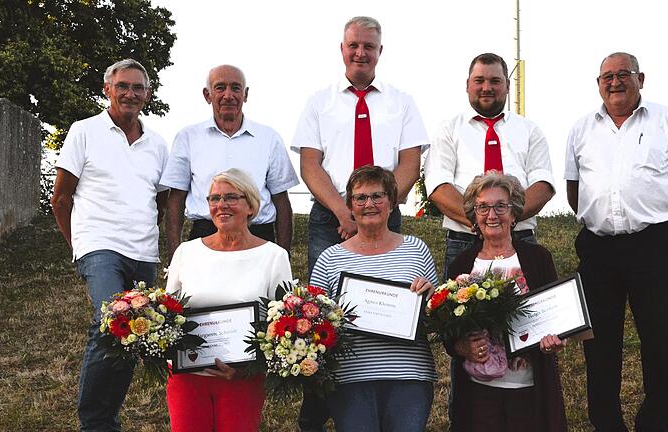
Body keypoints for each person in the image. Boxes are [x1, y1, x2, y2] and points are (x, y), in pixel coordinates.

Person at [564, 52, 668, 431]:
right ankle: (607, 423)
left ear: (641, 77)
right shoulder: (581, 129)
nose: (614, 82)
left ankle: (655, 423)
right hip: (597, 248)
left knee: (659, 338)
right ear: (598, 84)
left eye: (623, 74)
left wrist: (667, 228)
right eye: (606, 76)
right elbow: (573, 192)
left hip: (653, 246)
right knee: (599, 344)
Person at [50, 58, 169, 431]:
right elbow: (61, 197)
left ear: (147, 95)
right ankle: (95, 422)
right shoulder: (84, 131)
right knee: (111, 324)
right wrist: (80, 246)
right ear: (107, 89)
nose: (130, 94)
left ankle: (107, 418)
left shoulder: (158, 144)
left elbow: (161, 202)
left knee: (134, 336)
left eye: (138, 88)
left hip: (143, 252)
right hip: (100, 246)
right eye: (122, 86)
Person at [291, 15, 428, 276]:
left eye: (369, 46)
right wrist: (345, 212)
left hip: (385, 216)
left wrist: (375, 208)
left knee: (386, 291)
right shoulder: (318, 103)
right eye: (353, 45)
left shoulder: (403, 103)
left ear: (380, 51)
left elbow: (410, 164)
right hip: (330, 216)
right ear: (342, 48)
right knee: (323, 304)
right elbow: (310, 165)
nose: (360, 53)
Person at [309, 165, 438, 431]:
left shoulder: (416, 250)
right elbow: (314, 324)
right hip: (351, 378)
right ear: (351, 206)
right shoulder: (330, 259)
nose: (369, 204)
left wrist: (431, 297)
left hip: (409, 375)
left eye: (378, 196)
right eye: (361, 198)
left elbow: (437, 315)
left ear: (392, 202)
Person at [165, 168, 292, 432]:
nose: (221, 205)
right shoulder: (186, 252)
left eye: (231, 197)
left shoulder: (274, 256)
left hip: (242, 378)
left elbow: (284, 324)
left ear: (250, 205)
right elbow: (168, 313)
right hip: (187, 376)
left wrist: (247, 367)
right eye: (214, 198)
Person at [445, 172, 567, 432]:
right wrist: (462, 347)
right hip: (479, 392)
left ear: (514, 214)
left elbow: (556, 315)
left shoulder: (537, 258)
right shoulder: (461, 265)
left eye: (501, 206)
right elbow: (449, 332)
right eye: (483, 207)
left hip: (529, 388)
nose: (492, 214)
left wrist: (555, 339)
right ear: (474, 216)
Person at [424, 52, 555, 276]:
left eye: (495, 81)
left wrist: (505, 220)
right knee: (462, 311)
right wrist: (484, 221)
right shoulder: (449, 130)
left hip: (521, 239)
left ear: (507, 86)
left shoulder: (530, 130)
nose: (487, 87)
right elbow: (438, 187)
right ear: (467, 85)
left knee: (531, 311)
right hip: (464, 241)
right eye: (479, 81)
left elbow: (542, 186)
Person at [161, 64, 299, 262]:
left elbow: (282, 201)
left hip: (259, 238)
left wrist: (284, 255)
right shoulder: (188, 137)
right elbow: (175, 200)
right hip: (205, 238)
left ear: (246, 94)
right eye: (220, 88)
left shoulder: (269, 138)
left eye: (235, 88)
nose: (228, 95)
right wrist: (175, 257)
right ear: (207, 95)